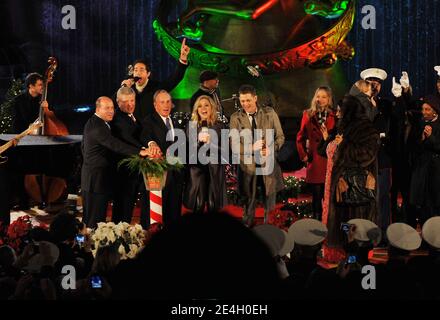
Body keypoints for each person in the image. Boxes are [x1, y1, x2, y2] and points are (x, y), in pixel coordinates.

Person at [81, 96, 150, 228]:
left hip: (94, 179)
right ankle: (88, 248)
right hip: (95, 182)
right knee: (93, 222)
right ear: (98, 109)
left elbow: (83, 148)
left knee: (93, 220)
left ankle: (89, 246)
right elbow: (115, 144)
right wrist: (140, 152)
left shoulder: (97, 122)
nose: (111, 111)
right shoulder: (98, 126)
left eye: (112, 108)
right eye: (107, 108)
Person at [326, 95, 380, 248]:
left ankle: (357, 260)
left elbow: (367, 154)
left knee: (358, 230)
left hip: (358, 189)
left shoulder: (366, 129)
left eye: (339, 111)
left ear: (349, 111)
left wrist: (344, 145)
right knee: (344, 227)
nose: (337, 114)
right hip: (343, 189)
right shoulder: (343, 127)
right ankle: (348, 255)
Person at [229, 84, 285, 227]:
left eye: (248, 100)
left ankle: (270, 234)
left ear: (255, 98)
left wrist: (271, 149)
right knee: (249, 204)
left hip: (268, 166)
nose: (245, 104)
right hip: (247, 168)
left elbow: (280, 137)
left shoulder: (269, 113)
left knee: (270, 205)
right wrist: (252, 148)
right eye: (242, 101)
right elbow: (234, 145)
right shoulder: (236, 118)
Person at [140, 90, 184, 226]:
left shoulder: (175, 121)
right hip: (158, 175)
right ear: (155, 105)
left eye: (168, 102)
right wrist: (151, 143)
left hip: (175, 176)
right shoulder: (148, 120)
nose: (166, 105)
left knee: (173, 212)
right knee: (156, 215)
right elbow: (145, 136)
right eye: (162, 102)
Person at [120, 39, 191, 121]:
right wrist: (123, 88)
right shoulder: (128, 89)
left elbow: (174, 79)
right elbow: (115, 103)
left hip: (152, 130)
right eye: (135, 70)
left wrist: (183, 59)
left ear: (148, 74)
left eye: (141, 70)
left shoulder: (156, 88)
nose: (138, 73)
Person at [360, 68, 395, 236]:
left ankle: (382, 232)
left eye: (377, 84)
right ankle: (365, 231)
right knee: (365, 197)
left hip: (382, 159)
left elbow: (396, 121)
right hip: (364, 160)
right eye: (371, 84)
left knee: (383, 198)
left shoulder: (386, 105)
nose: (374, 87)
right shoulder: (358, 105)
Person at [110, 87, 149, 226]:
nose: (130, 104)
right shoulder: (118, 119)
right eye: (125, 102)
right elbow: (127, 138)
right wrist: (146, 149)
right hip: (123, 172)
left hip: (132, 171)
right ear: (118, 102)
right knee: (122, 210)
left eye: (132, 100)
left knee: (127, 208)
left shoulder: (132, 116)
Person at [296, 86, 336, 220]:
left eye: (324, 97)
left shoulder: (335, 114)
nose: (320, 99)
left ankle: (330, 226)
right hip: (315, 161)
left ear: (329, 99)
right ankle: (317, 226)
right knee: (317, 196)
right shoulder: (308, 114)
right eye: (318, 96)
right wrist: (304, 156)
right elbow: (299, 137)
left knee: (330, 197)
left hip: (330, 161)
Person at [183, 95, 227, 214]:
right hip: (197, 170)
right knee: (199, 204)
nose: (203, 108)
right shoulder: (191, 126)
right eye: (200, 106)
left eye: (206, 105)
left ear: (211, 108)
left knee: (213, 206)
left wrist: (211, 143)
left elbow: (225, 151)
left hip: (214, 170)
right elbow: (188, 151)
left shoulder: (220, 126)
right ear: (196, 109)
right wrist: (198, 141)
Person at [409, 95, 440, 224]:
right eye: (423, 109)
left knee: (436, 202)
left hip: (436, 171)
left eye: (427, 109)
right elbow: (414, 147)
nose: (424, 112)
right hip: (422, 170)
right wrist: (421, 139)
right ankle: (426, 236)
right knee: (423, 204)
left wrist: (431, 137)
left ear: (435, 111)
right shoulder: (421, 123)